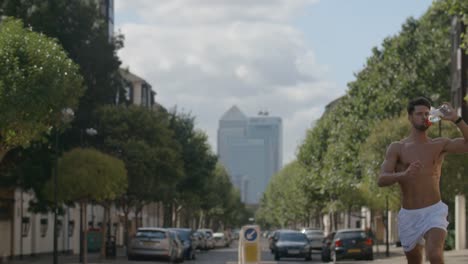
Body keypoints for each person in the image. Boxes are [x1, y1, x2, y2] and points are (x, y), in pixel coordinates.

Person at [378, 97, 468, 264]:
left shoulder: (439, 144)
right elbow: (381, 179)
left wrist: (456, 119)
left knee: (434, 254)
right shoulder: (397, 147)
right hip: (409, 215)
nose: (424, 117)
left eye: (427, 113)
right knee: (414, 261)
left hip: (434, 211)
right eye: (419, 114)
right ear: (410, 117)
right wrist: (403, 175)